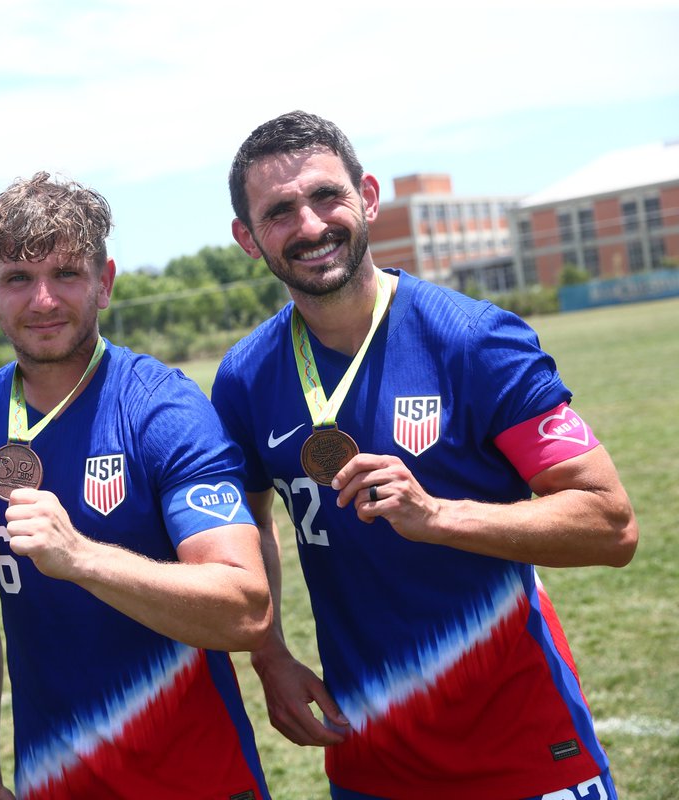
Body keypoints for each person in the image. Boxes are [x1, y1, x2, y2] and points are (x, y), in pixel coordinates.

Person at [212, 110, 639, 800]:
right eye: (281, 210)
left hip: (525, 752)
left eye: (327, 195)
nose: (312, 225)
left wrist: (439, 515)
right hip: (373, 765)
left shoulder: (474, 340)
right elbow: (245, 524)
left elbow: (611, 524)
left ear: (368, 197)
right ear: (247, 238)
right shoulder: (245, 378)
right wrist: (268, 654)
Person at [0, 171, 273, 799]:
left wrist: (82, 558)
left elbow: (245, 607)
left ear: (105, 282)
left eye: (66, 273)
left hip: (200, 780)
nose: (43, 300)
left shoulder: (163, 410)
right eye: (17, 278)